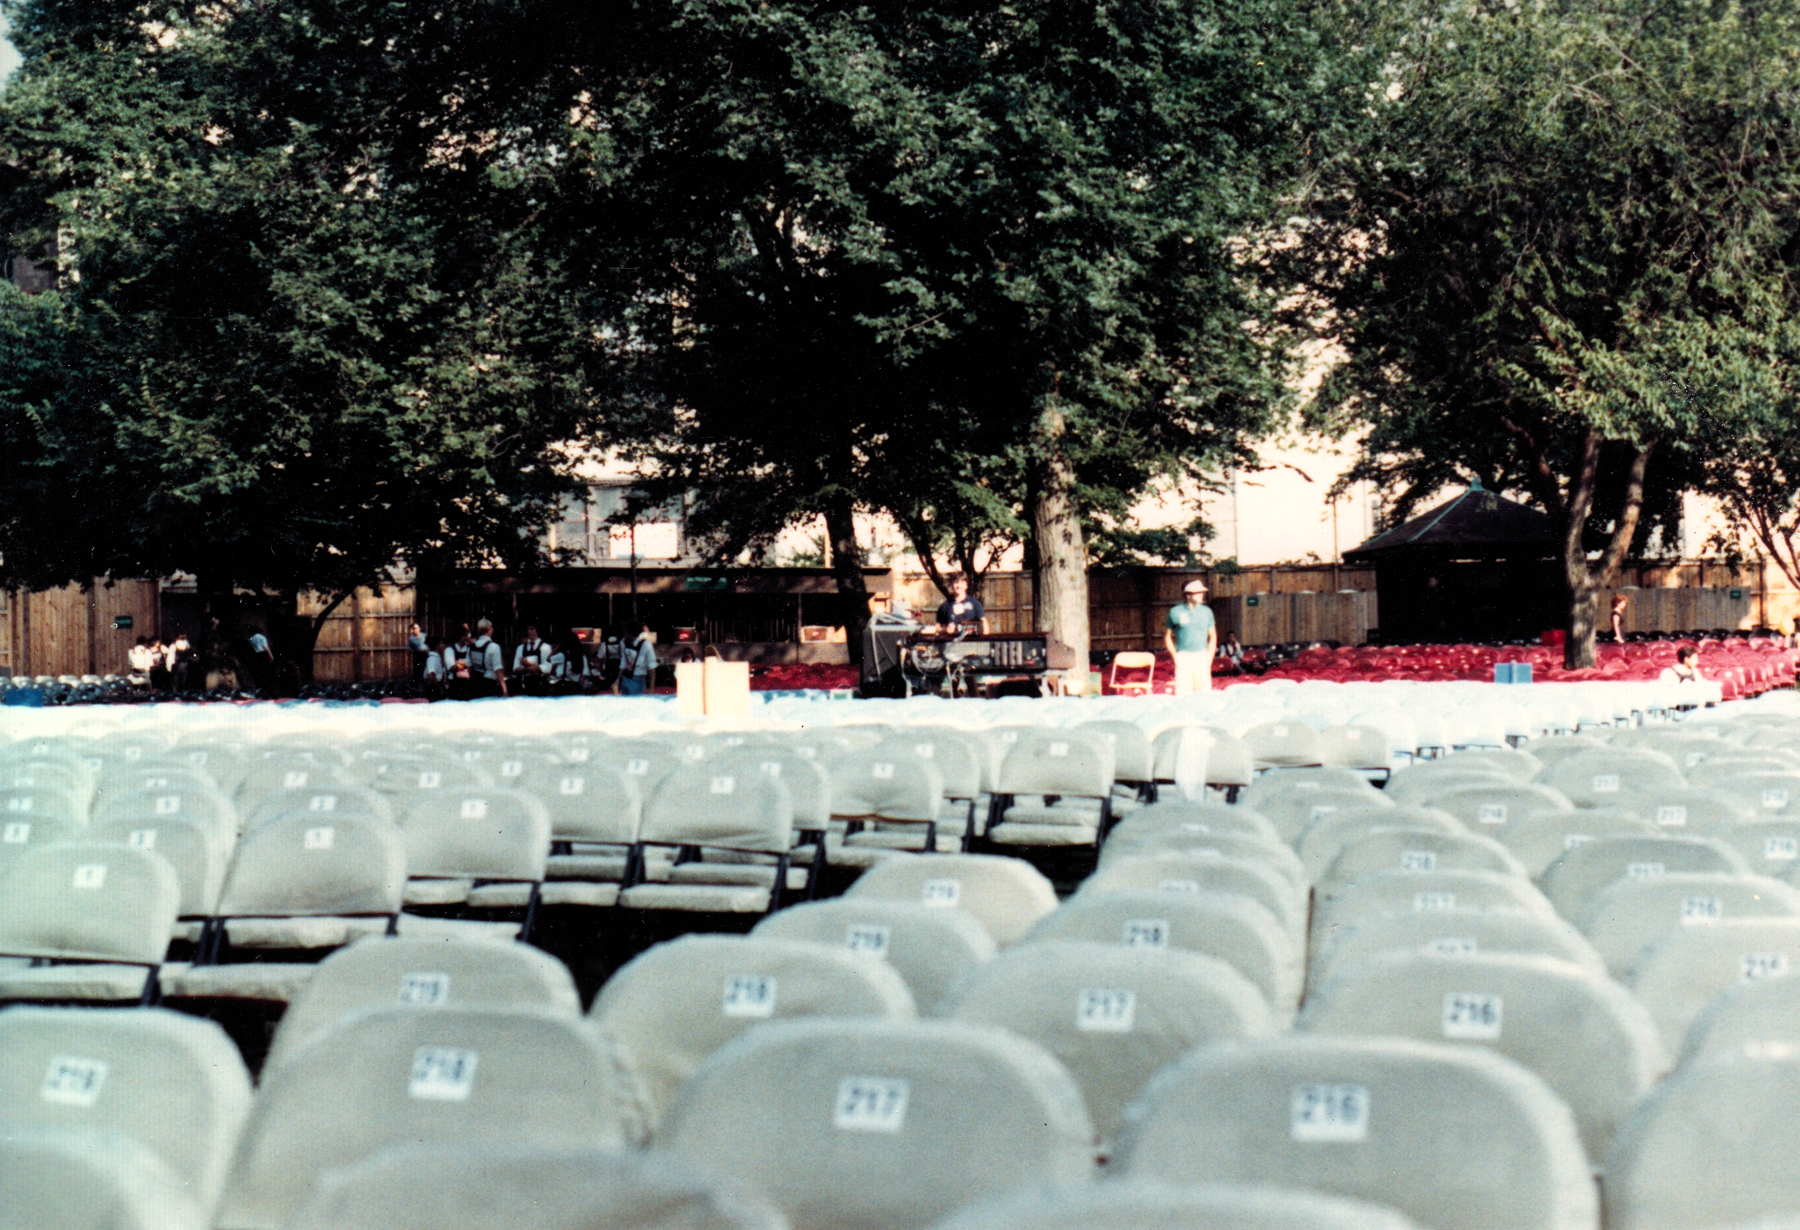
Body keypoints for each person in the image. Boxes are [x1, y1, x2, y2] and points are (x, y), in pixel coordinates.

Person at [1164, 578, 1217, 696]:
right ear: (1188, 595)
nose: (1201, 595)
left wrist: (1209, 657)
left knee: (1204, 695)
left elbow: (1213, 636)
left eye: (1202, 592)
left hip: (1202, 656)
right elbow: (1167, 636)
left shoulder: (1207, 612)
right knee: (1183, 695)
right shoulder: (1175, 612)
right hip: (1183, 657)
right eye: (1197, 593)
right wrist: (1175, 656)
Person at [467, 618, 507, 698]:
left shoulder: (471, 647)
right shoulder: (494, 647)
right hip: (489, 684)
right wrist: (504, 690)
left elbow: (469, 667)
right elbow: (498, 670)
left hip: (475, 684)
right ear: (490, 629)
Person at [512, 623, 551, 695]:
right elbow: (515, 668)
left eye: (532, 629)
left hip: (540, 686)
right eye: (528, 629)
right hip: (524, 685)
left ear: (537, 630)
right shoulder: (520, 648)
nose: (530, 631)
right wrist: (526, 669)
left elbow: (548, 667)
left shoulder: (545, 647)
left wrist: (535, 667)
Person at [620, 625, 658, 696]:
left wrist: (651, 688)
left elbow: (652, 667)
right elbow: (623, 663)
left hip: (638, 679)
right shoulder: (623, 642)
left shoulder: (645, 644)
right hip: (626, 678)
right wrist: (618, 680)